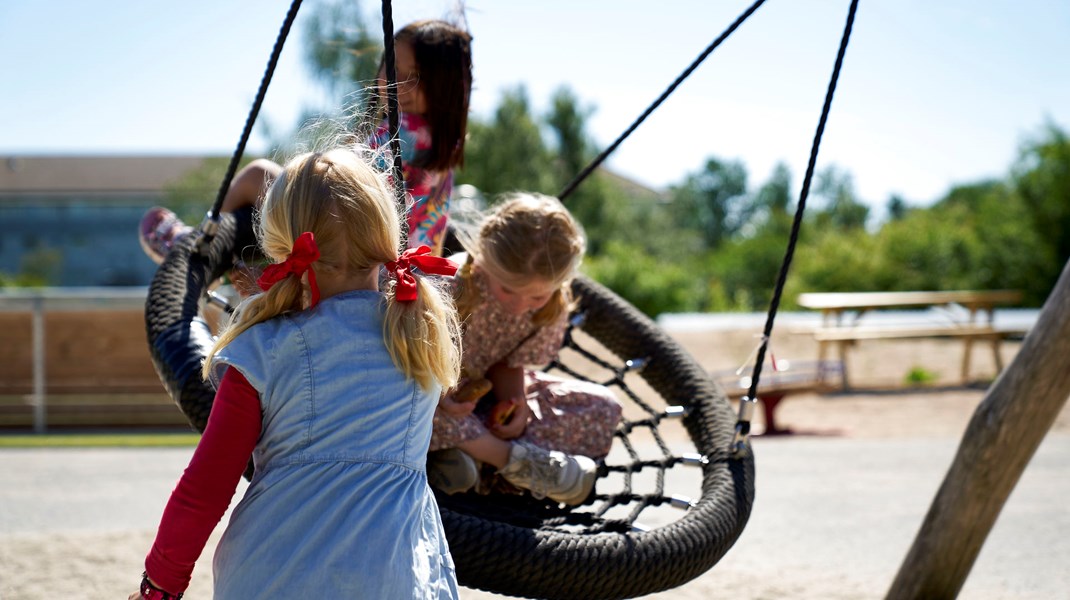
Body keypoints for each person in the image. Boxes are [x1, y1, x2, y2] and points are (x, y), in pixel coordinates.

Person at [130, 146, 463, 599]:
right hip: (393, 578)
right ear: (388, 233)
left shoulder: (262, 349)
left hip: (271, 575)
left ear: (281, 243)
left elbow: (206, 486)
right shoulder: (421, 337)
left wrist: (160, 586)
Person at [139, 18, 473, 264]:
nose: (395, 83)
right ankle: (233, 261)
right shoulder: (444, 147)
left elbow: (339, 173)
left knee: (258, 175)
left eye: (413, 77)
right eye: (391, 67)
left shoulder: (407, 133)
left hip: (358, 255)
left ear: (443, 90)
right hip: (402, 270)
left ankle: (196, 246)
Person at [427, 192, 623, 506]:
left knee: (603, 408)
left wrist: (513, 404)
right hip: (429, 388)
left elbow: (508, 364)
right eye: (506, 289)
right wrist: (441, 394)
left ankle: (466, 460)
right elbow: (410, 357)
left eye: (536, 298)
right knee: (414, 407)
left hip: (477, 404)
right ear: (483, 257)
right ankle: (508, 462)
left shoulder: (552, 308)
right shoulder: (449, 282)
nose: (519, 306)